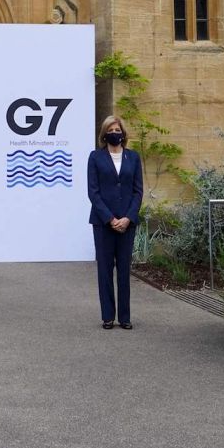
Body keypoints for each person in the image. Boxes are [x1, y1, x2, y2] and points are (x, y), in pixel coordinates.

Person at [87, 114, 143, 330]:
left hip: (127, 223)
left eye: (118, 130)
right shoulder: (95, 157)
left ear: (123, 134)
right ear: (104, 134)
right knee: (105, 270)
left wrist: (128, 218)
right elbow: (93, 192)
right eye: (110, 130)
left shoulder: (133, 157)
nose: (115, 133)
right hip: (103, 223)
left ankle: (125, 317)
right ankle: (108, 316)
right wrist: (110, 219)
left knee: (124, 270)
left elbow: (138, 191)